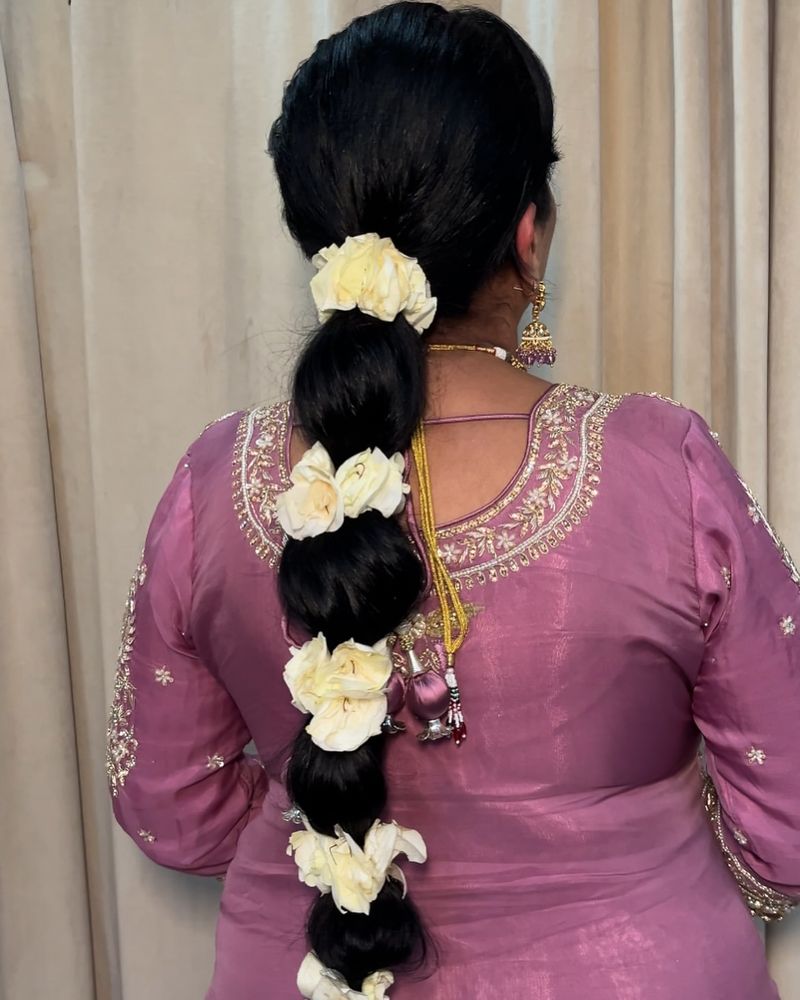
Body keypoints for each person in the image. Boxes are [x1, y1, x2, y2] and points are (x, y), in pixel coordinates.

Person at [105, 3, 800, 997]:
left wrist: (337, 845)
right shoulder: (662, 465)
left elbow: (171, 810)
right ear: (527, 233)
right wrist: (621, 858)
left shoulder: (213, 482)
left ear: (321, 236)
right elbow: (785, 817)